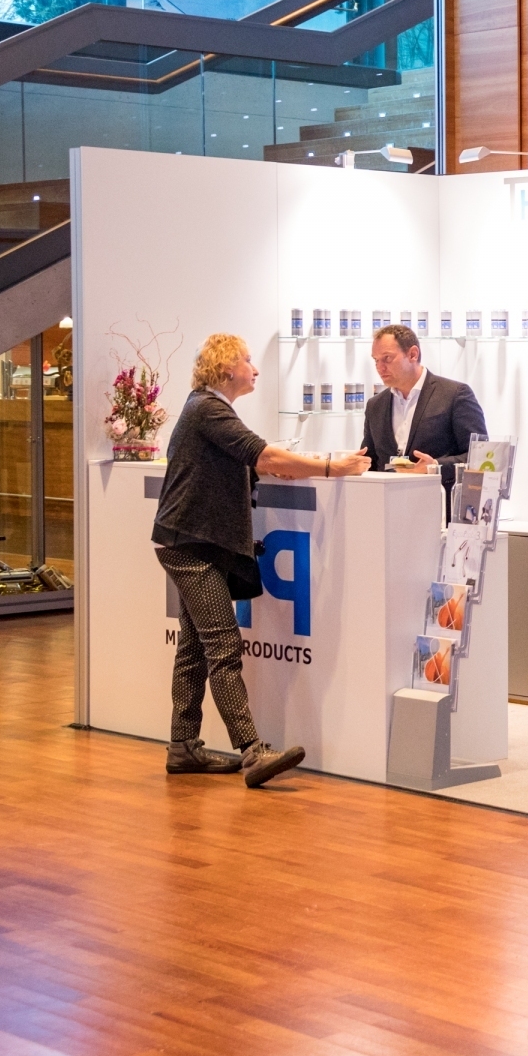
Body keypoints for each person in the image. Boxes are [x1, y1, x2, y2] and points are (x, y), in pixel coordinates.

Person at [152, 333, 372, 787]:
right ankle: (252, 752)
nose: (254, 369)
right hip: (192, 545)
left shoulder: (206, 408)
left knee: (194, 648)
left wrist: (280, 465)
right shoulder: (209, 409)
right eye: (247, 360)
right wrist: (332, 468)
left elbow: (255, 460)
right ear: (225, 367)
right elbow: (263, 453)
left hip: (192, 541)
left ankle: (183, 746)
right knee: (223, 645)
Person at [360, 325, 487, 508]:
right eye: (376, 360)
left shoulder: (454, 394)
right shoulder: (375, 405)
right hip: (389, 510)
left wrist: (434, 466)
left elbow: (481, 456)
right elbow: (370, 460)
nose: (380, 367)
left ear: (413, 354)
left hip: (440, 509)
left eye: (387, 358)